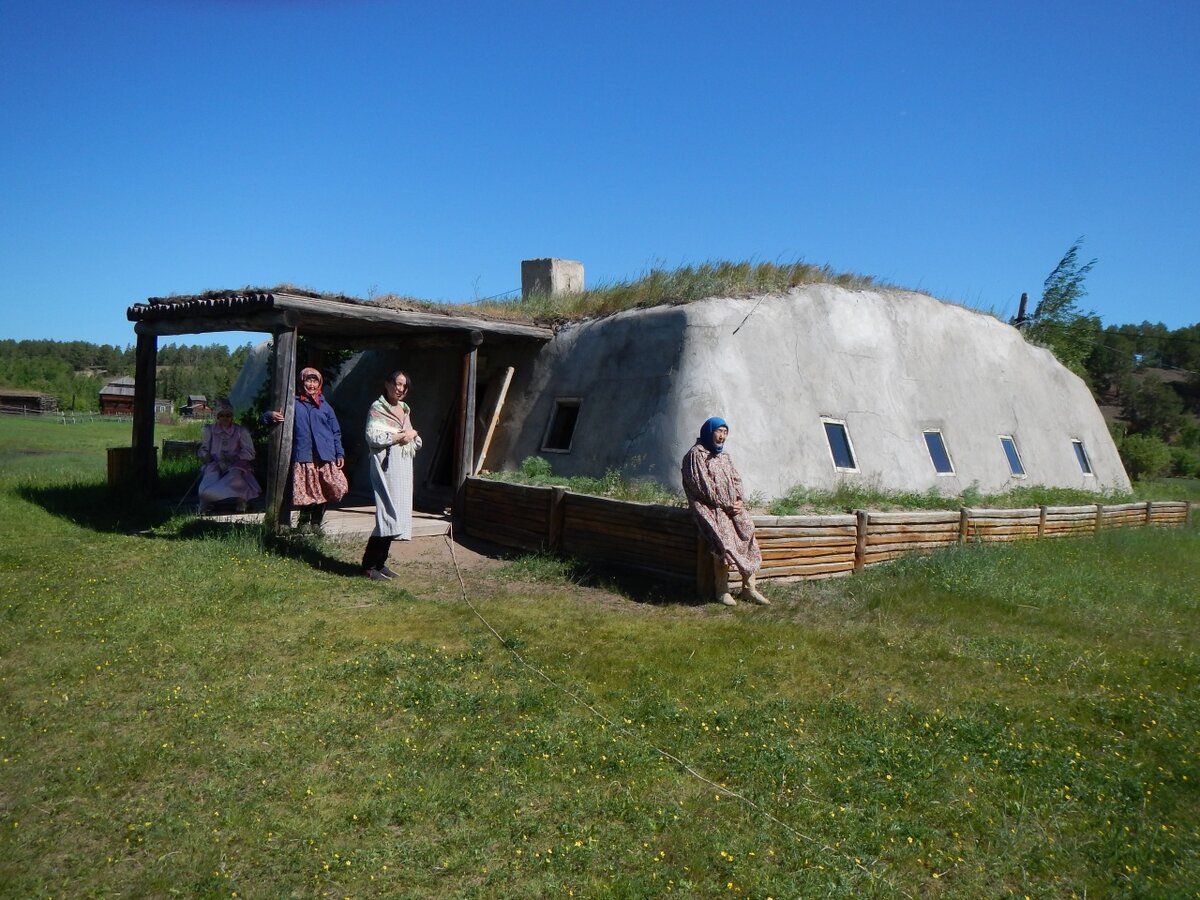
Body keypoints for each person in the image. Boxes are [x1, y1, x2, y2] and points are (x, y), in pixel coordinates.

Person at [681, 416, 769, 606]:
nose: (722, 436)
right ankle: (722, 590)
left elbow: (736, 480)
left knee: (747, 529)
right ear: (708, 431)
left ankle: (749, 588)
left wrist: (739, 500)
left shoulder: (724, 456)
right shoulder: (696, 455)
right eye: (718, 431)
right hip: (710, 507)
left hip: (730, 506)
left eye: (725, 432)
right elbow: (702, 487)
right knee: (724, 538)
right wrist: (725, 503)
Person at [266, 366, 348, 530]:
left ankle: (316, 523)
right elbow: (272, 416)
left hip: (325, 456)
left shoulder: (325, 406)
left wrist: (339, 453)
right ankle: (303, 523)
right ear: (301, 382)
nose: (311, 385)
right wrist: (268, 415)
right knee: (308, 490)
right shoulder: (294, 404)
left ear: (319, 384)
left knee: (327, 488)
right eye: (308, 380)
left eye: (314, 381)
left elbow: (336, 432)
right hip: (304, 455)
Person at [361, 370, 421, 580]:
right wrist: (400, 436)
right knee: (387, 515)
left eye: (404, 386)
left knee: (397, 516)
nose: (400, 389)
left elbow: (413, 436)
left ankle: (380, 563)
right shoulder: (377, 408)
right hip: (386, 467)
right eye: (397, 384)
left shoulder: (404, 409)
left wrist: (411, 434)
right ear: (387, 384)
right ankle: (369, 566)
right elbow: (372, 436)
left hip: (402, 467)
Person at [197, 400, 262, 513]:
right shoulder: (210, 430)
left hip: (235, 463)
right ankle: (206, 500)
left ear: (232, 416)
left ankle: (241, 500)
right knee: (210, 475)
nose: (225, 418)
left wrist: (236, 458)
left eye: (228, 415)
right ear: (217, 416)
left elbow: (250, 451)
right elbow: (203, 448)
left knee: (236, 476)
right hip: (215, 462)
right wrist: (205, 456)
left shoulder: (240, 431)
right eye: (222, 415)